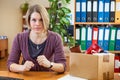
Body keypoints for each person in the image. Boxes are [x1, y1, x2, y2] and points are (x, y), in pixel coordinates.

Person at [7, 4, 66, 73]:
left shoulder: (55, 38)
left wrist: (50, 64)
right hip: (26, 77)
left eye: (41, 20)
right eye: (34, 20)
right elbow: (10, 64)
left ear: (45, 20)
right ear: (29, 21)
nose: (37, 24)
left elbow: (63, 66)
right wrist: (22, 67)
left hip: (47, 77)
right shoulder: (19, 38)